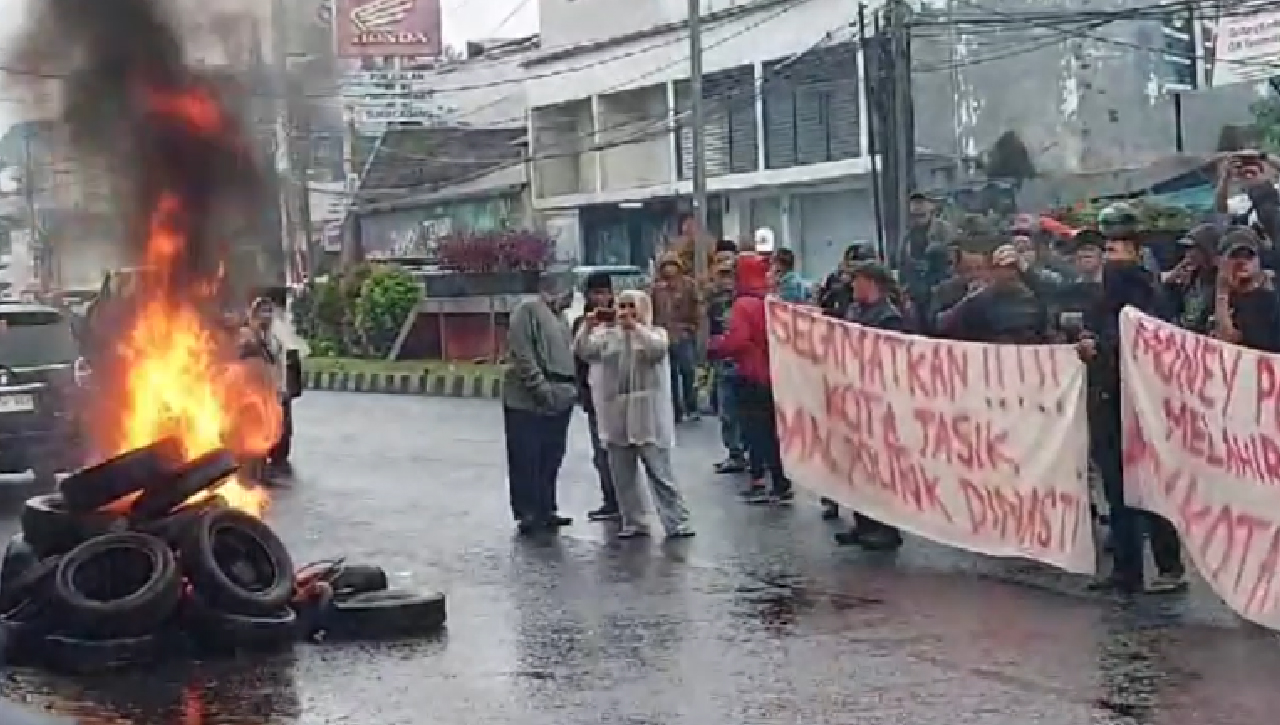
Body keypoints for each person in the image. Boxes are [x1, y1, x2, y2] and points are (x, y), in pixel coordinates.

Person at [1077, 222, 1186, 594]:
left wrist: (1103, 346)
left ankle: (1169, 565)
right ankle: (1126, 569)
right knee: (1116, 487)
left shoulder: (1149, 294)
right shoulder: (1102, 296)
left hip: (1143, 403)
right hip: (1109, 398)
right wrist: (1088, 343)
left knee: (1149, 487)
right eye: (1108, 251)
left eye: (1119, 251)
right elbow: (1095, 329)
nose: (1112, 258)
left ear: (1136, 254)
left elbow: (1153, 342)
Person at [575, 289, 695, 540]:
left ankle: (677, 521)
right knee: (622, 473)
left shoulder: (654, 334)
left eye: (632, 307)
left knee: (659, 472)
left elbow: (657, 350)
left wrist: (636, 328)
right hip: (616, 412)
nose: (626, 312)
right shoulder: (608, 336)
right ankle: (634, 521)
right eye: (622, 306)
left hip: (647, 414)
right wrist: (587, 327)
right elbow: (584, 351)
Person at [833, 261, 907, 550]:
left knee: (880, 466)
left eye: (857, 281)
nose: (852, 286)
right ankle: (863, 523)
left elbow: (892, 358)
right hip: (856, 395)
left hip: (878, 399)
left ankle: (886, 528)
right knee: (858, 463)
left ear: (871, 283)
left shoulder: (889, 317)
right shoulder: (856, 311)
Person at [709, 253, 793, 504]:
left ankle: (761, 480)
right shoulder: (770, 300)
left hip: (751, 372)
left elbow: (737, 340)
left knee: (755, 430)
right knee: (770, 430)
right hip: (773, 373)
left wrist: (716, 347)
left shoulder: (743, 304)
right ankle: (778, 480)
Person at [502, 271, 579, 535]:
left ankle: (547, 507)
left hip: (561, 393)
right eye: (568, 290)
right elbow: (523, 353)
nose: (572, 297)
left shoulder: (562, 319)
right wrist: (539, 386)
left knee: (552, 455)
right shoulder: (528, 311)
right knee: (527, 456)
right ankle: (528, 511)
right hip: (527, 399)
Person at [573, 271, 619, 522]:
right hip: (595, 397)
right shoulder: (582, 323)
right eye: (596, 293)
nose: (601, 299)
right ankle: (610, 499)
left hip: (620, 395)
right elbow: (579, 359)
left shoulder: (623, 318)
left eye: (605, 292)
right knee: (601, 453)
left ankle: (627, 500)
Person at [936, 244, 1048, 344]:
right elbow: (942, 324)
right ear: (991, 271)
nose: (1008, 273)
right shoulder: (978, 301)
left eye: (1012, 268)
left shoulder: (1033, 303)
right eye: (1002, 268)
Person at [650, 252, 702, 423]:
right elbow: (651, 311)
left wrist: (694, 327)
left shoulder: (688, 285)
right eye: (666, 265)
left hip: (684, 334)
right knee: (669, 374)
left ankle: (691, 406)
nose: (669, 269)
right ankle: (674, 410)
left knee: (688, 371)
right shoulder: (656, 289)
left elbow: (697, 308)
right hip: (662, 336)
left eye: (672, 265)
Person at [706, 259, 747, 474]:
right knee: (725, 410)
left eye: (729, 276)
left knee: (740, 411)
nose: (725, 282)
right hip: (722, 360)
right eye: (721, 276)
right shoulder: (715, 303)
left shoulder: (744, 302)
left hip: (741, 362)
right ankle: (734, 452)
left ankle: (744, 452)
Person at [1213, 226, 1280, 352]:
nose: (1242, 262)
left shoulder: (1266, 299)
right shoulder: (1229, 293)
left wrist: (1221, 292)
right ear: (1220, 261)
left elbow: (1228, 337)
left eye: (1248, 256)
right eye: (1234, 256)